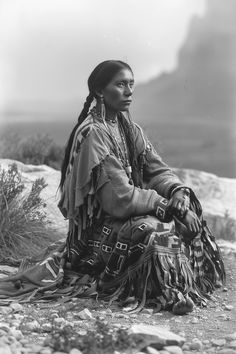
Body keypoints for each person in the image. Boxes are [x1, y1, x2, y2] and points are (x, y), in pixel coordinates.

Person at [0, 60, 225, 315]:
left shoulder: (131, 129)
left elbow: (157, 171)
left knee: (189, 211)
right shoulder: (94, 134)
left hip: (127, 215)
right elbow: (120, 199)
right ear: (99, 91)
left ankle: (189, 284)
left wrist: (177, 194)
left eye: (131, 84)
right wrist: (164, 206)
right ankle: (163, 293)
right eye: (120, 84)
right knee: (153, 231)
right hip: (97, 231)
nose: (129, 91)